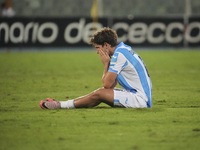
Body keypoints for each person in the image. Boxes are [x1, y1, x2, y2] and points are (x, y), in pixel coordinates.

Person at [40, 27, 152, 109]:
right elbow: (111, 86)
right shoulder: (123, 49)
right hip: (138, 95)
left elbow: (106, 85)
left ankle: (61, 105)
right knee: (100, 93)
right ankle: (62, 104)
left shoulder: (119, 55)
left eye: (98, 48)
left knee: (99, 93)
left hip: (139, 100)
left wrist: (105, 65)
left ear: (106, 45)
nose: (97, 52)